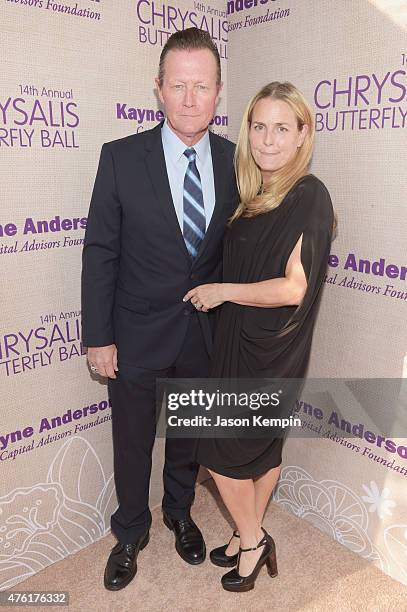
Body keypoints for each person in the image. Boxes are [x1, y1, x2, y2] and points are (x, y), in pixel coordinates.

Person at [81, 28, 238, 591]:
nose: (190, 98)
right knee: (131, 437)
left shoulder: (236, 161)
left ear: (218, 91)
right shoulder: (121, 158)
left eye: (202, 86)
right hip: (135, 332)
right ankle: (130, 531)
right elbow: (101, 251)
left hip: (204, 332)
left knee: (189, 433)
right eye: (179, 85)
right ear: (159, 89)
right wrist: (98, 337)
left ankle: (180, 511)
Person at [184, 82, 334, 592]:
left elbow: (295, 289)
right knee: (262, 451)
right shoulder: (253, 193)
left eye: (281, 128)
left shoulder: (309, 194)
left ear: (301, 136)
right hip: (237, 338)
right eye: (258, 126)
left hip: (270, 349)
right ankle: (249, 531)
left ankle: (252, 540)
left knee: (219, 454)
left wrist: (222, 290)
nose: (268, 140)